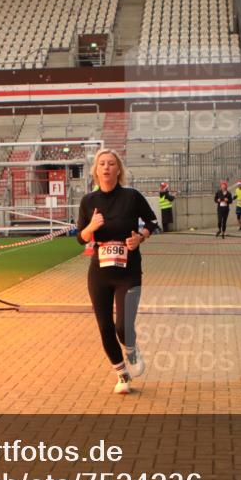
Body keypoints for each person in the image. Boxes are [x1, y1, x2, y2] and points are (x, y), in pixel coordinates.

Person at [77, 149, 158, 394]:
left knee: (123, 325)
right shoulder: (88, 201)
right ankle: (122, 373)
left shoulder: (131, 197)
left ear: (118, 169)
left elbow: (153, 222)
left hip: (128, 271)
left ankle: (131, 350)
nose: (106, 167)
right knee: (105, 327)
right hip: (100, 272)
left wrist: (140, 237)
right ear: (96, 170)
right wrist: (91, 227)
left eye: (111, 163)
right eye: (102, 163)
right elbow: (81, 238)